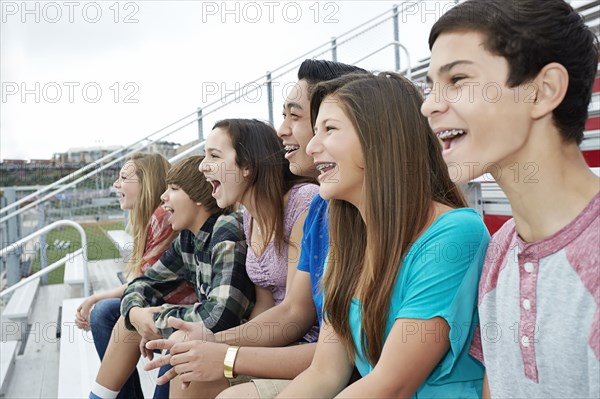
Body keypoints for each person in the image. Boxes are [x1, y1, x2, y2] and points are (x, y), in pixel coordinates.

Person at [144, 60, 366, 399]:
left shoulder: (310, 204)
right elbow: (271, 310)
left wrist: (221, 349)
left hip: (313, 354)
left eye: (296, 116)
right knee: (185, 371)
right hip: (304, 351)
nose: (281, 130)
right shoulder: (307, 208)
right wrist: (210, 344)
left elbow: (299, 317)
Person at [421, 0, 599, 397]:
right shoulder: (501, 248)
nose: (429, 104)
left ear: (543, 90)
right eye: (431, 85)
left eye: (458, 80)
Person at [276, 72, 489, 398]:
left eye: (330, 129)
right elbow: (324, 373)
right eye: (315, 130)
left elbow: (391, 386)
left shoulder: (455, 234)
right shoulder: (347, 244)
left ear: (380, 139)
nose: (312, 146)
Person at [88, 155, 255, 399]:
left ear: (199, 197)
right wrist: (137, 313)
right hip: (200, 335)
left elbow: (220, 318)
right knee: (130, 320)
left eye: (174, 189)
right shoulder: (188, 238)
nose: (164, 197)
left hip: (239, 345)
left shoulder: (226, 227)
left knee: (175, 338)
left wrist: (156, 319)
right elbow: (142, 284)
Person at [75, 152, 184, 399]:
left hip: (179, 316)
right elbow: (139, 283)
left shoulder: (163, 216)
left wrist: (94, 298)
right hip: (162, 309)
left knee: (105, 312)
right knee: (104, 312)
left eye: (123, 178)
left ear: (145, 184)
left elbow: (142, 285)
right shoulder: (149, 219)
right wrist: (96, 299)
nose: (116, 184)